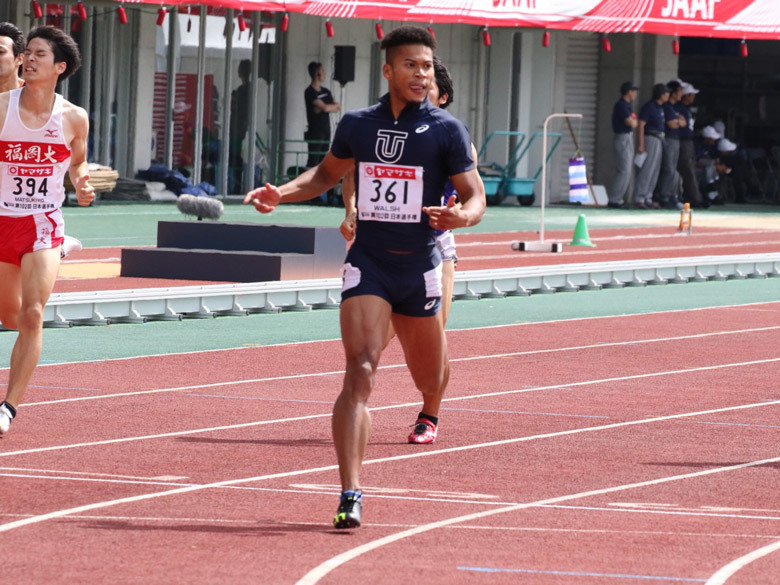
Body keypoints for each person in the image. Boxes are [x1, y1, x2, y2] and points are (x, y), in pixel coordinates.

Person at [244, 26, 485, 529]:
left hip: (420, 267)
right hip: (369, 262)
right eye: (413, 65)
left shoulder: (447, 129)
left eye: (427, 66)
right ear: (390, 71)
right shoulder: (357, 123)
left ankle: (430, 408)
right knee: (360, 370)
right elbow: (326, 175)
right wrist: (280, 193)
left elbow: (476, 196)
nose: (422, 74)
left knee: (431, 377)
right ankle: (350, 490)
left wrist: (462, 216)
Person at [0, 25, 94, 436]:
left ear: (59, 66)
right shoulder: (1, 107)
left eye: (39, 53)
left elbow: (77, 163)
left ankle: (7, 408)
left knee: (34, 314)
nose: (30, 58)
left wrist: (82, 182)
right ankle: (60, 251)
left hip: (42, 221)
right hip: (3, 220)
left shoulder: (73, 117)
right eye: (28, 53)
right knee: (10, 316)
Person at [339, 55, 474, 340]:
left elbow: (471, 195)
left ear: (443, 97)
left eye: (428, 88)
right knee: (374, 338)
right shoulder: (381, 133)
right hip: (385, 242)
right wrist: (351, 211)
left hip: (437, 242)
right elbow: (352, 174)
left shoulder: (457, 142)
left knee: (432, 338)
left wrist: (458, 212)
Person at [0, 22, 81, 255]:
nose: (30, 59)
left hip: (34, 210)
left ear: (18, 60)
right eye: (30, 54)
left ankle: (54, 242)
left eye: (0, 52)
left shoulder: (35, 95)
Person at [633, 83, 669, 209]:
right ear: (660, 94)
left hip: (659, 138)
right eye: (666, 93)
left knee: (655, 169)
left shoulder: (660, 108)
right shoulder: (649, 107)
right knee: (647, 169)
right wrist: (641, 144)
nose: (668, 95)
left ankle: (648, 196)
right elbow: (641, 125)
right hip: (651, 138)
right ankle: (640, 197)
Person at [656, 80, 686, 209]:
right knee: (668, 168)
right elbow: (672, 124)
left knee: (673, 169)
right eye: (679, 91)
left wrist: (678, 122)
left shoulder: (675, 107)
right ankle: (664, 195)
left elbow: (683, 123)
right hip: (669, 138)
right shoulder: (667, 107)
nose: (682, 93)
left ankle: (671, 195)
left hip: (676, 138)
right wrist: (678, 122)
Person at [608, 81, 638, 208]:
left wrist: (633, 121)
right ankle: (615, 199)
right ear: (629, 92)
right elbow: (631, 122)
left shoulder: (627, 106)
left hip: (628, 137)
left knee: (627, 170)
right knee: (624, 170)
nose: (635, 94)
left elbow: (634, 121)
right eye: (634, 91)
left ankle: (618, 198)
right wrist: (633, 121)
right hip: (622, 137)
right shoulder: (621, 105)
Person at [303, 61, 339, 167]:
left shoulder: (326, 91)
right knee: (313, 158)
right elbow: (326, 107)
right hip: (315, 130)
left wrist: (324, 108)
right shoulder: (309, 92)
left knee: (324, 158)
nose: (324, 73)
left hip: (326, 129)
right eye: (322, 71)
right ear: (317, 73)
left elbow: (336, 107)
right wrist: (326, 107)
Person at [675, 82, 702, 207]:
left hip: (688, 141)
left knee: (689, 169)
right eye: (691, 94)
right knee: (687, 169)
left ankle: (692, 197)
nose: (693, 97)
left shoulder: (686, 109)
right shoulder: (679, 108)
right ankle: (693, 198)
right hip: (683, 141)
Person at [229, 59, 252, 192]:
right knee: (236, 155)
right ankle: (237, 184)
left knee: (236, 156)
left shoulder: (243, 90)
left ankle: (237, 185)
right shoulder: (246, 89)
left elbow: (237, 107)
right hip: (240, 127)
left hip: (238, 128)